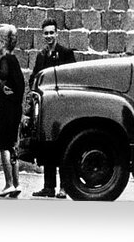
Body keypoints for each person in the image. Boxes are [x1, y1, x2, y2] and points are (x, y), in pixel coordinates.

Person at [30, 18, 76, 198]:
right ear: (43, 35)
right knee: (47, 145)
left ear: (57, 33)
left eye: (51, 32)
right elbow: (34, 77)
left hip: (63, 108)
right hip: (46, 108)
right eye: (46, 33)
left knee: (62, 146)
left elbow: (72, 77)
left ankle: (64, 187)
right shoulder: (41, 56)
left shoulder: (65, 53)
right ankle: (49, 186)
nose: (49, 36)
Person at [0, 24, 25, 198]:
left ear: (3, 42)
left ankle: (8, 183)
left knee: (4, 145)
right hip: (16, 109)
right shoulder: (15, 60)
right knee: (12, 145)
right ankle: (17, 183)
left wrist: (3, 86)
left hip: (7, 109)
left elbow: (4, 78)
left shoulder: (5, 60)